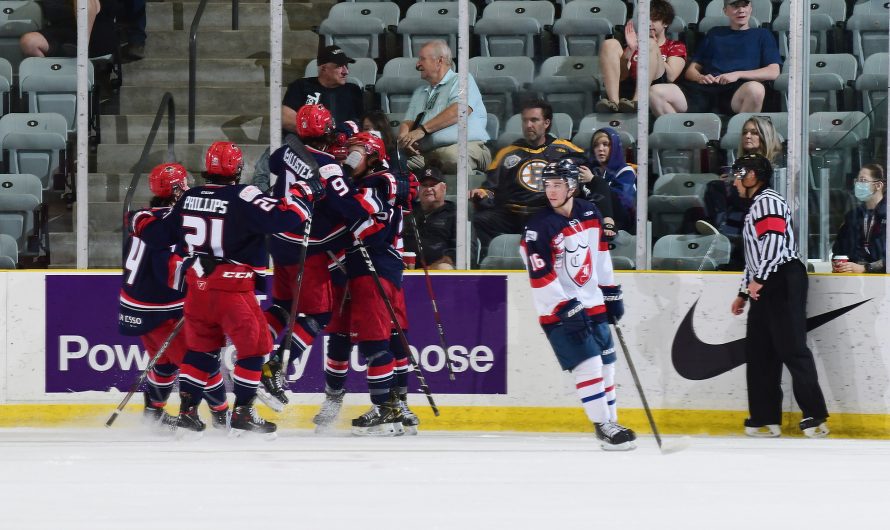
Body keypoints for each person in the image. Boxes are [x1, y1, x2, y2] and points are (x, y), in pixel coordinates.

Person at [131, 141, 324, 438]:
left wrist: (136, 218)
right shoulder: (244, 194)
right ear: (236, 169)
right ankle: (244, 412)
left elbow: (158, 233)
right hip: (233, 288)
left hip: (197, 289)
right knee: (255, 348)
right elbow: (283, 218)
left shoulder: (190, 196)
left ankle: (187, 413)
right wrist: (304, 193)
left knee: (201, 351)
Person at [256, 104, 381, 413]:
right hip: (305, 247)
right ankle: (273, 369)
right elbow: (347, 206)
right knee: (318, 315)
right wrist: (370, 210)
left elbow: (274, 162)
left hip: (279, 240)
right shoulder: (327, 165)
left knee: (285, 305)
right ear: (327, 133)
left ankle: (250, 353)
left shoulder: (286, 151)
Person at [519, 159, 636, 451]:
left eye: (558, 184)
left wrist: (610, 292)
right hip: (559, 310)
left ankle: (612, 421)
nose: (551, 191)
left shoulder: (589, 212)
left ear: (572, 185)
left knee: (608, 365)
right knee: (590, 365)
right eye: (547, 185)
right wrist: (563, 305)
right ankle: (602, 426)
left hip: (592, 301)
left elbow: (600, 256)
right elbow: (539, 274)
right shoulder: (538, 226)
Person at [317, 131, 417, 436]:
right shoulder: (376, 180)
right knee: (342, 337)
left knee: (380, 340)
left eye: (355, 151)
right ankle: (354, 403)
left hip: (374, 265)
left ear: (371, 154)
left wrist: (337, 182)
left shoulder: (379, 181)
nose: (348, 156)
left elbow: (364, 219)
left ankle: (389, 406)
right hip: (352, 266)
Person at [119, 163, 230, 433]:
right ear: (177, 190)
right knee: (203, 362)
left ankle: (152, 413)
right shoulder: (172, 224)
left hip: (137, 303)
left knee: (166, 362)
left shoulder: (145, 217)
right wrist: (197, 281)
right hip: (161, 308)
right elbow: (168, 271)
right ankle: (223, 416)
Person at [729, 154, 829, 439]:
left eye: (740, 174)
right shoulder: (756, 205)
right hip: (769, 278)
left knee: (791, 348)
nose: (736, 181)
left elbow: (773, 244)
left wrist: (759, 280)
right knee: (759, 351)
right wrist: (743, 292)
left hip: (783, 278)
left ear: (754, 177)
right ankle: (765, 416)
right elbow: (755, 256)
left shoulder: (769, 201)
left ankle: (814, 414)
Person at [471, 99, 584, 263]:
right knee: (478, 221)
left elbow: (591, 173)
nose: (528, 125)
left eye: (534, 120)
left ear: (546, 123)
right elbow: (491, 188)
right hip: (512, 215)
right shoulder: (508, 153)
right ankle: (487, 262)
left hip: (546, 213)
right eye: (525, 120)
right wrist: (482, 193)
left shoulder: (566, 150)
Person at [397, 39, 491, 174]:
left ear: (439, 61)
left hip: (467, 147)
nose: (418, 65)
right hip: (428, 154)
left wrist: (422, 130)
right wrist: (404, 139)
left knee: (451, 158)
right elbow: (408, 122)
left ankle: (468, 194)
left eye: (422, 59)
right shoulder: (420, 93)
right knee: (395, 166)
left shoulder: (461, 79)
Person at [705, 116, 784, 269]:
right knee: (713, 187)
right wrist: (730, 180)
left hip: (761, 208)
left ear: (764, 136)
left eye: (754, 132)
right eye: (745, 132)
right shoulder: (741, 163)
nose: (748, 136)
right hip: (741, 206)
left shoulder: (776, 164)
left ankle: (724, 234)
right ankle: (720, 231)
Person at [681, 0, 781, 114]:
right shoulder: (714, 33)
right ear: (725, 11)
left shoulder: (763, 35)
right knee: (659, 91)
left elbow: (773, 71)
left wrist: (738, 74)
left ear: (751, 9)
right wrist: (700, 77)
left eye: (745, 5)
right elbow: (691, 71)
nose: (741, 10)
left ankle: (744, 130)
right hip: (707, 89)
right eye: (735, 6)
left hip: (739, 89)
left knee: (755, 89)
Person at [596, 0, 688, 115]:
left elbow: (671, 77)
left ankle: (637, 101)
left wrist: (656, 50)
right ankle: (614, 103)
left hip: (659, 85)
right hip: (631, 85)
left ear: (665, 23)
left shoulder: (675, 45)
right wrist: (630, 50)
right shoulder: (633, 44)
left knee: (648, 43)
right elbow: (622, 75)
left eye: (654, 19)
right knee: (610, 44)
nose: (649, 23)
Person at [282, 45, 365, 130]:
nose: (346, 71)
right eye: (339, 66)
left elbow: (363, 122)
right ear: (324, 68)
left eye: (346, 65)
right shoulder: (301, 86)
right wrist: (319, 130)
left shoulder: (353, 90)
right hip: (307, 140)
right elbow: (286, 119)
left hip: (345, 141)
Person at [579, 128, 637, 235]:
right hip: (591, 217)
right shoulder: (588, 170)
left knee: (599, 183)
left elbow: (623, 201)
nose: (600, 149)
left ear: (614, 147)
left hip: (620, 219)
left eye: (606, 144)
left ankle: (607, 222)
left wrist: (594, 180)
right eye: (596, 145)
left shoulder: (626, 171)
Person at [832, 164, 886, 274]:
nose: (858, 184)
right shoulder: (853, 216)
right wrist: (838, 262)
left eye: (863, 180)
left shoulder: (887, 214)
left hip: (882, 282)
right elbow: (839, 248)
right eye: (857, 180)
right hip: (852, 280)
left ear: (878, 185)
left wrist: (866, 268)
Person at [20, 0, 117, 58]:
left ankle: (81, 47)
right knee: (28, 42)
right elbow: (52, 12)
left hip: (96, 34)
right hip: (61, 32)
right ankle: (53, 78)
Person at [403, 165, 457, 270]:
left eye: (433, 185)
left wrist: (429, 269)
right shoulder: (408, 211)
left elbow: (461, 251)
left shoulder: (455, 214)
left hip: (436, 273)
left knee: (444, 268)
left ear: (444, 187)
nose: (428, 189)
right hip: (404, 269)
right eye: (424, 185)